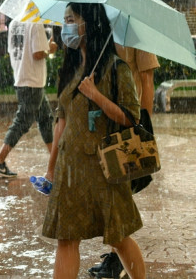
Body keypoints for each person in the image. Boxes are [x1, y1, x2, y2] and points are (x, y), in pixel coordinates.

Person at [42, 3, 146, 279]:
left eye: (71, 19)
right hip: (70, 170)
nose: (66, 27)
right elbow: (60, 121)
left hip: (104, 170)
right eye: (64, 20)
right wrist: (51, 167)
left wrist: (96, 95)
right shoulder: (71, 68)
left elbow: (131, 118)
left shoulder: (115, 67)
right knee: (66, 238)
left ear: (89, 23)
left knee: (119, 236)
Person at [87, 45, 159, 279]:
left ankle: (120, 258)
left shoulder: (137, 35)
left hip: (128, 122)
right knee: (115, 195)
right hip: (104, 120)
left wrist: (142, 127)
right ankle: (118, 257)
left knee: (119, 196)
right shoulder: (102, 30)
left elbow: (147, 79)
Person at [0, 17, 57, 177]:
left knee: (46, 119)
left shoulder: (14, 23)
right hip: (33, 82)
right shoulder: (35, 23)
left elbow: (15, 50)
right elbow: (38, 53)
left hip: (22, 78)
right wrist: (50, 49)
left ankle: (56, 160)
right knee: (22, 123)